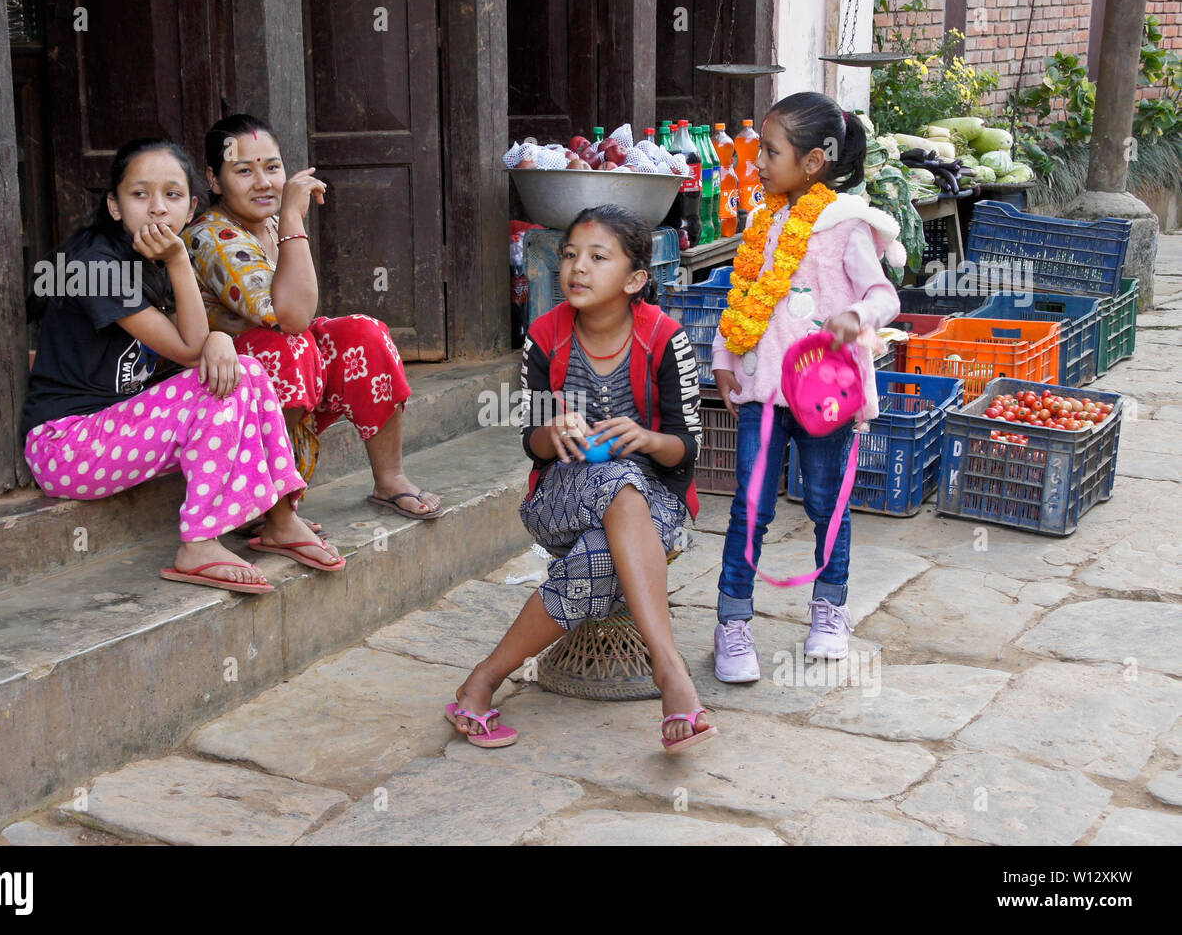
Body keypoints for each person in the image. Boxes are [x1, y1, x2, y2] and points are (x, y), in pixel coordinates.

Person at [447, 205, 716, 753]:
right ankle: (671, 670)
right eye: (570, 255)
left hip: (658, 502)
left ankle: (479, 683)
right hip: (559, 498)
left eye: (598, 257)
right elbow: (531, 443)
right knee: (616, 479)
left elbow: (687, 449)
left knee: (599, 555)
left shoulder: (666, 339)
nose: (577, 267)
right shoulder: (544, 336)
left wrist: (646, 438)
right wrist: (554, 429)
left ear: (636, 279)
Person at [21, 137, 339, 594]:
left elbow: (196, 342)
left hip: (121, 433)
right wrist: (208, 328)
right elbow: (190, 349)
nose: (156, 209)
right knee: (222, 379)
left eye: (171, 195)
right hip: (66, 446)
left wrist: (218, 338)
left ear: (190, 209)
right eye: (139, 194)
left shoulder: (161, 262)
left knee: (244, 370)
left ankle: (281, 517)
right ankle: (198, 542)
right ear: (114, 206)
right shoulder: (96, 265)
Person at [182, 114, 440, 563]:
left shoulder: (266, 223)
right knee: (288, 344)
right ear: (214, 178)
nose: (263, 182)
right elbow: (289, 316)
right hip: (226, 399)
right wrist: (291, 218)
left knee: (365, 332)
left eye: (273, 167)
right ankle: (268, 508)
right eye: (244, 171)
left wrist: (284, 222)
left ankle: (390, 479)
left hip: (284, 381)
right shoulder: (212, 235)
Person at [710, 91, 903, 682]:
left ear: (814, 161)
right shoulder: (761, 223)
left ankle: (829, 608)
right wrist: (723, 355)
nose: (760, 162)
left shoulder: (846, 226)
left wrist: (858, 319)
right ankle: (733, 621)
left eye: (770, 151)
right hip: (762, 395)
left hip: (825, 398)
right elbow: (742, 300)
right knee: (749, 506)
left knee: (827, 505)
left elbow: (885, 297)